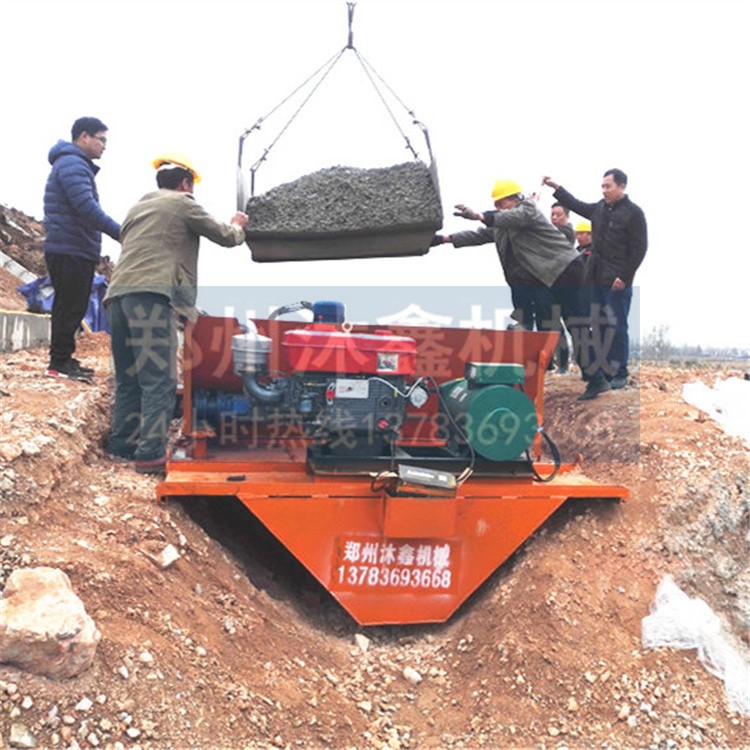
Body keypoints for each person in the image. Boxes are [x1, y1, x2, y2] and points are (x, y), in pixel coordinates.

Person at [104, 154, 249, 475]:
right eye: (192, 187)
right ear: (186, 184)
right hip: (152, 297)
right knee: (159, 379)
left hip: (117, 297)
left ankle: (121, 444)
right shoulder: (183, 203)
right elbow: (226, 236)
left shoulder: (137, 208)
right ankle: (150, 453)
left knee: (129, 378)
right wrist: (239, 224)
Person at [432, 179, 592, 390]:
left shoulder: (528, 209)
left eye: (501, 203)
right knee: (545, 325)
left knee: (576, 323)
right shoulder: (504, 224)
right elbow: (480, 235)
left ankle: (596, 376)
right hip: (543, 279)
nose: (498, 208)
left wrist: (480, 215)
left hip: (566, 270)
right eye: (496, 205)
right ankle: (545, 369)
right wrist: (444, 239)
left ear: (515, 199)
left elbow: (514, 216)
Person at [543, 170, 647, 395]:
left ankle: (620, 372)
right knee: (598, 326)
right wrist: (556, 188)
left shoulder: (633, 214)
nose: (604, 191)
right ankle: (606, 371)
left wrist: (626, 277)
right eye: (602, 186)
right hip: (595, 279)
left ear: (622, 186)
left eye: (608, 186)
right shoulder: (599, 209)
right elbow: (577, 205)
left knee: (616, 326)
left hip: (617, 281)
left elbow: (640, 249)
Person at [43, 116, 121, 381]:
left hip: (72, 246)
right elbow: (86, 208)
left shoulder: (75, 164)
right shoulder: (73, 164)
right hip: (70, 246)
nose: (104, 146)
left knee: (71, 305)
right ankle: (59, 363)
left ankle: (63, 358)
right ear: (84, 137)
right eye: (101, 139)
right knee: (70, 306)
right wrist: (121, 232)